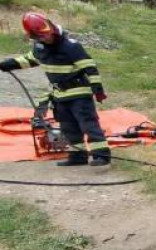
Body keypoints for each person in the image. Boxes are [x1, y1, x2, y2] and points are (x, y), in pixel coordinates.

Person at [0, 12, 111, 166]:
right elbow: (28, 60)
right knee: (68, 127)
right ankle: (77, 156)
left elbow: (90, 67)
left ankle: (101, 155)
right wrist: (7, 64)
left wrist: (97, 89)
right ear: (35, 37)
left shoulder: (71, 46)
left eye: (48, 34)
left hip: (79, 93)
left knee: (88, 124)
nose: (47, 38)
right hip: (60, 95)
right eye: (42, 37)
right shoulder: (40, 48)